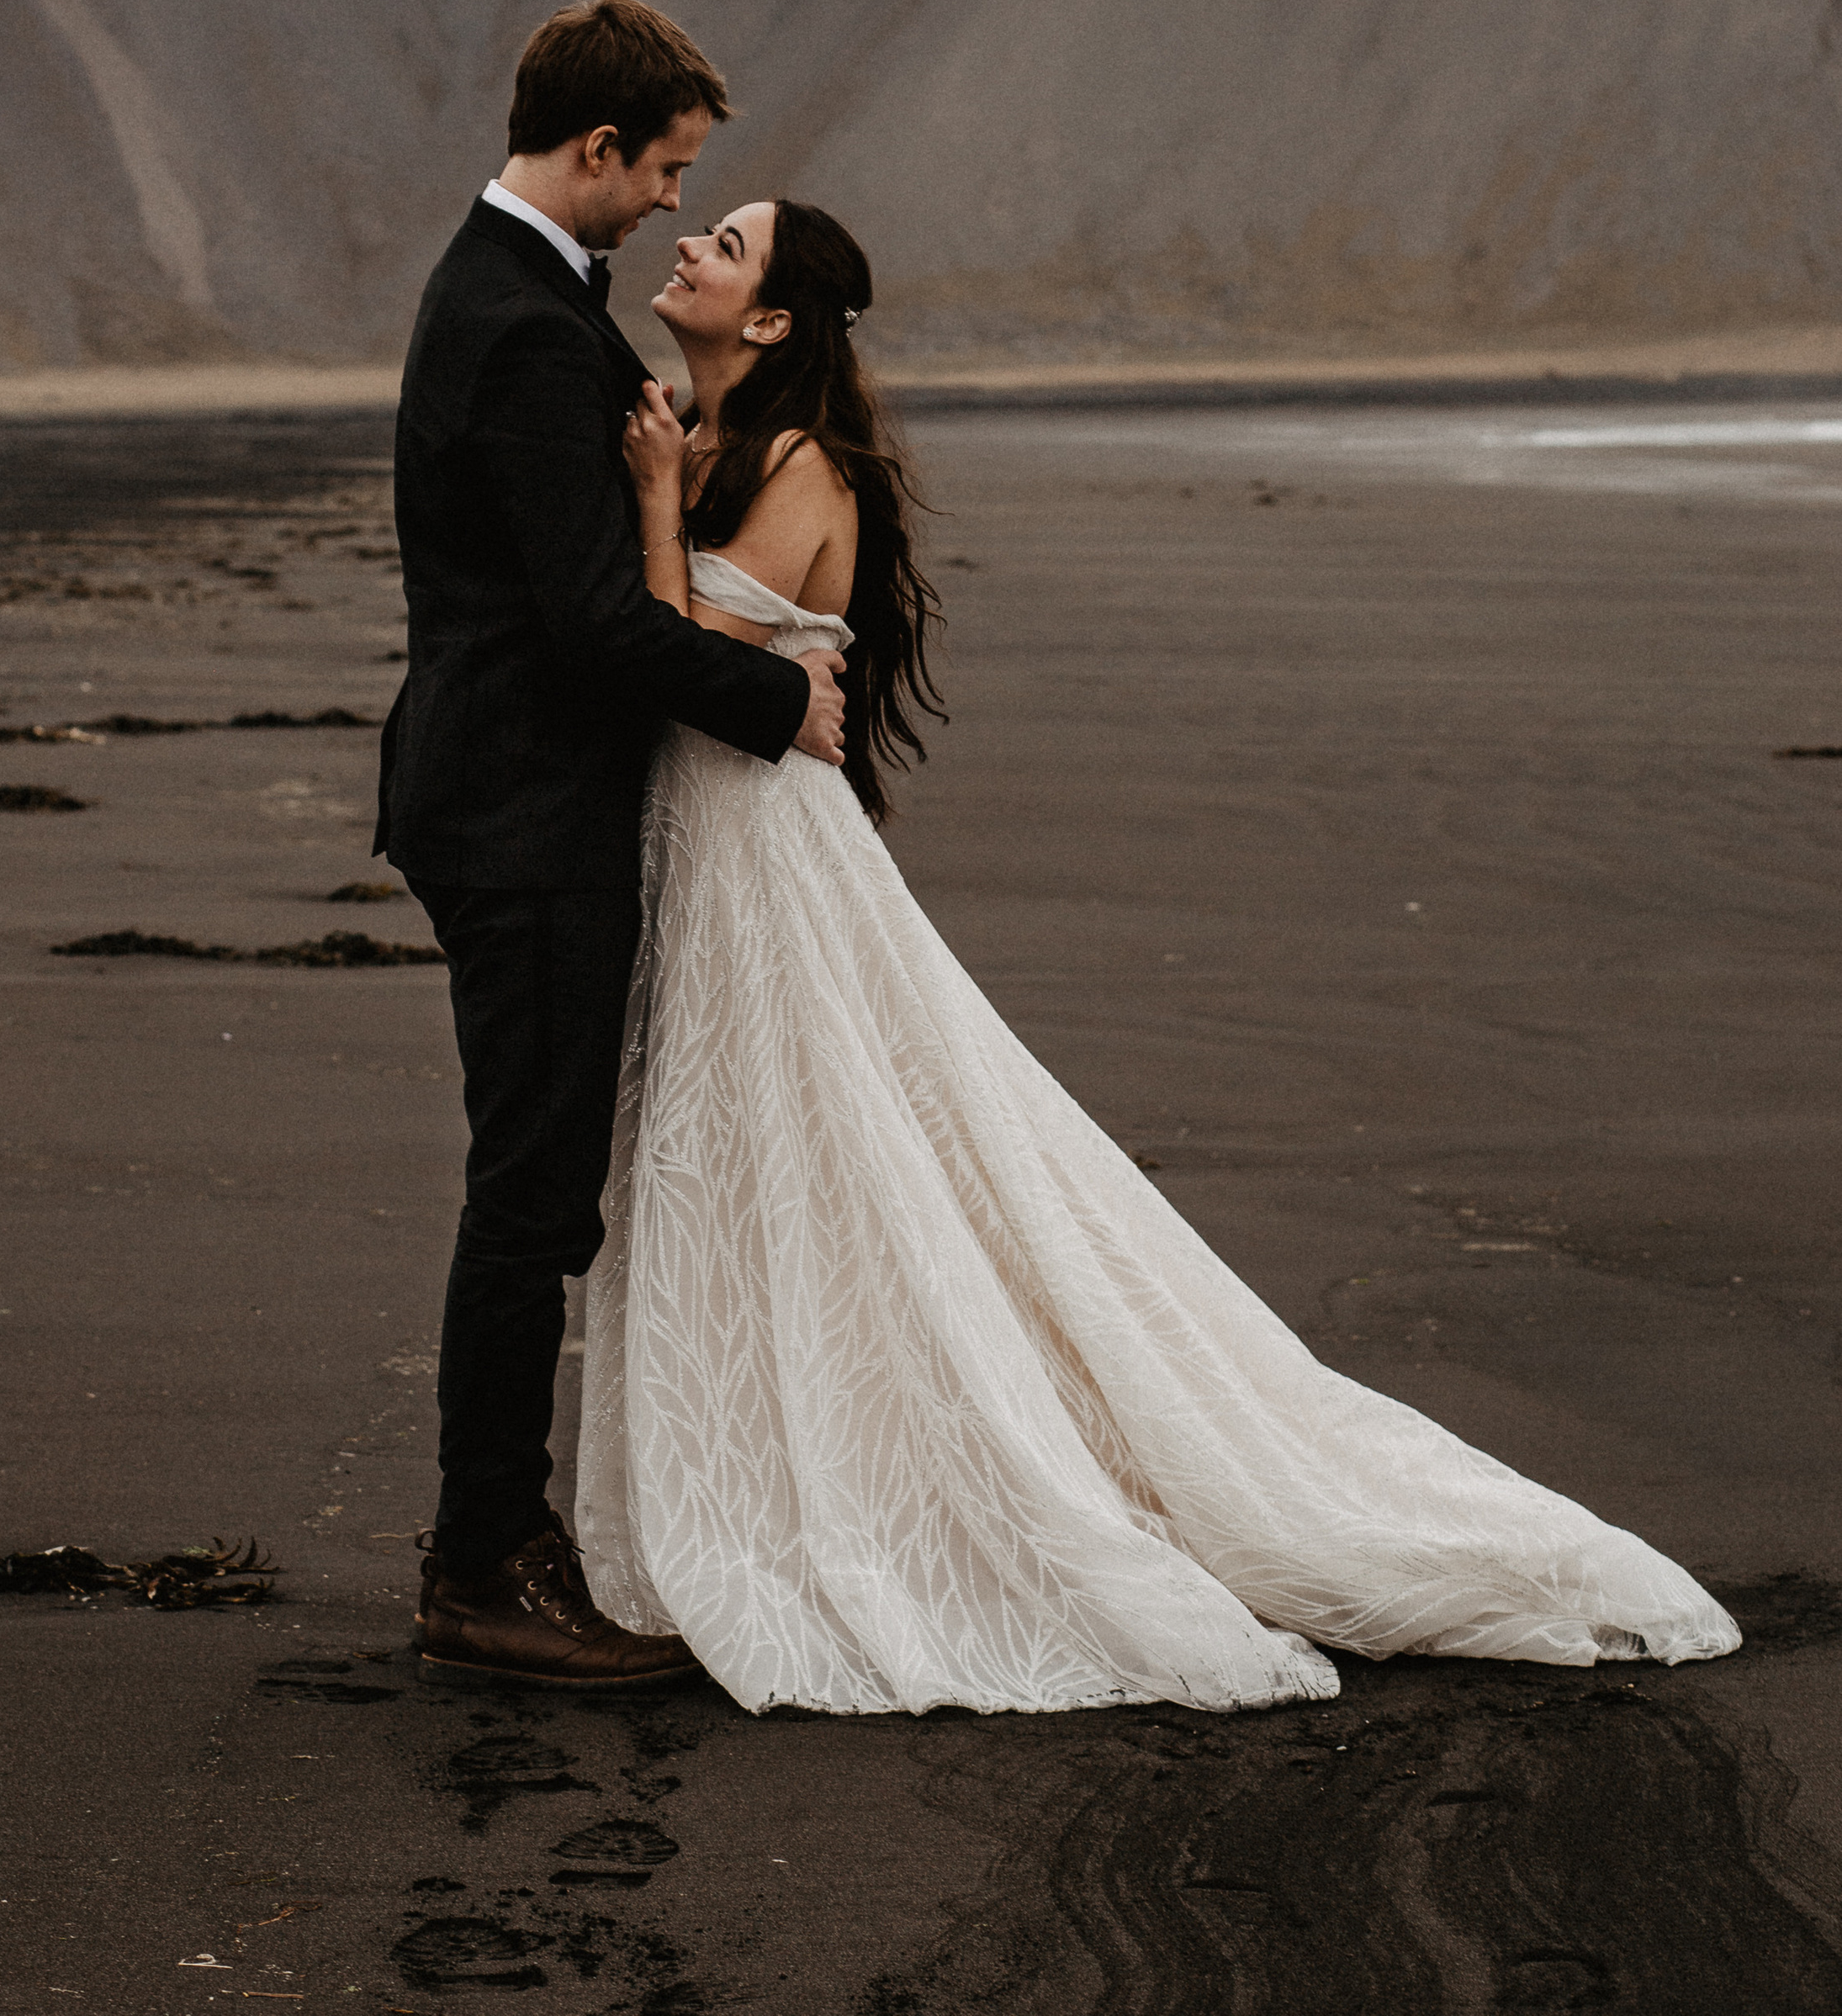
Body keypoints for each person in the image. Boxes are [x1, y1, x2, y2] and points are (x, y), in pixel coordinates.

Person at [577, 194, 1741, 1714]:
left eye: (723, 247)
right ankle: (757, 1458)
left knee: (849, 1158)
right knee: (743, 1163)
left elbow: (690, 671)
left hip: (770, 867)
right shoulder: (713, 441)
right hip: (710, 857)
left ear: (778, 319)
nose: (690, 254)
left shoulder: (799, 468)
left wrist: (659, 506)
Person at [374, 0, 847, 1688]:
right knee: (530, 1196)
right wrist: (768, 700)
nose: (666, 200)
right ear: (591, 150)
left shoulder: (516, 295)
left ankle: (504, 1544)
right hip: (519, 808)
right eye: (661, 168)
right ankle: (483, 1565)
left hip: (507, 793)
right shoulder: (512, 322)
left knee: (535, 1183)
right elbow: (579, 624)